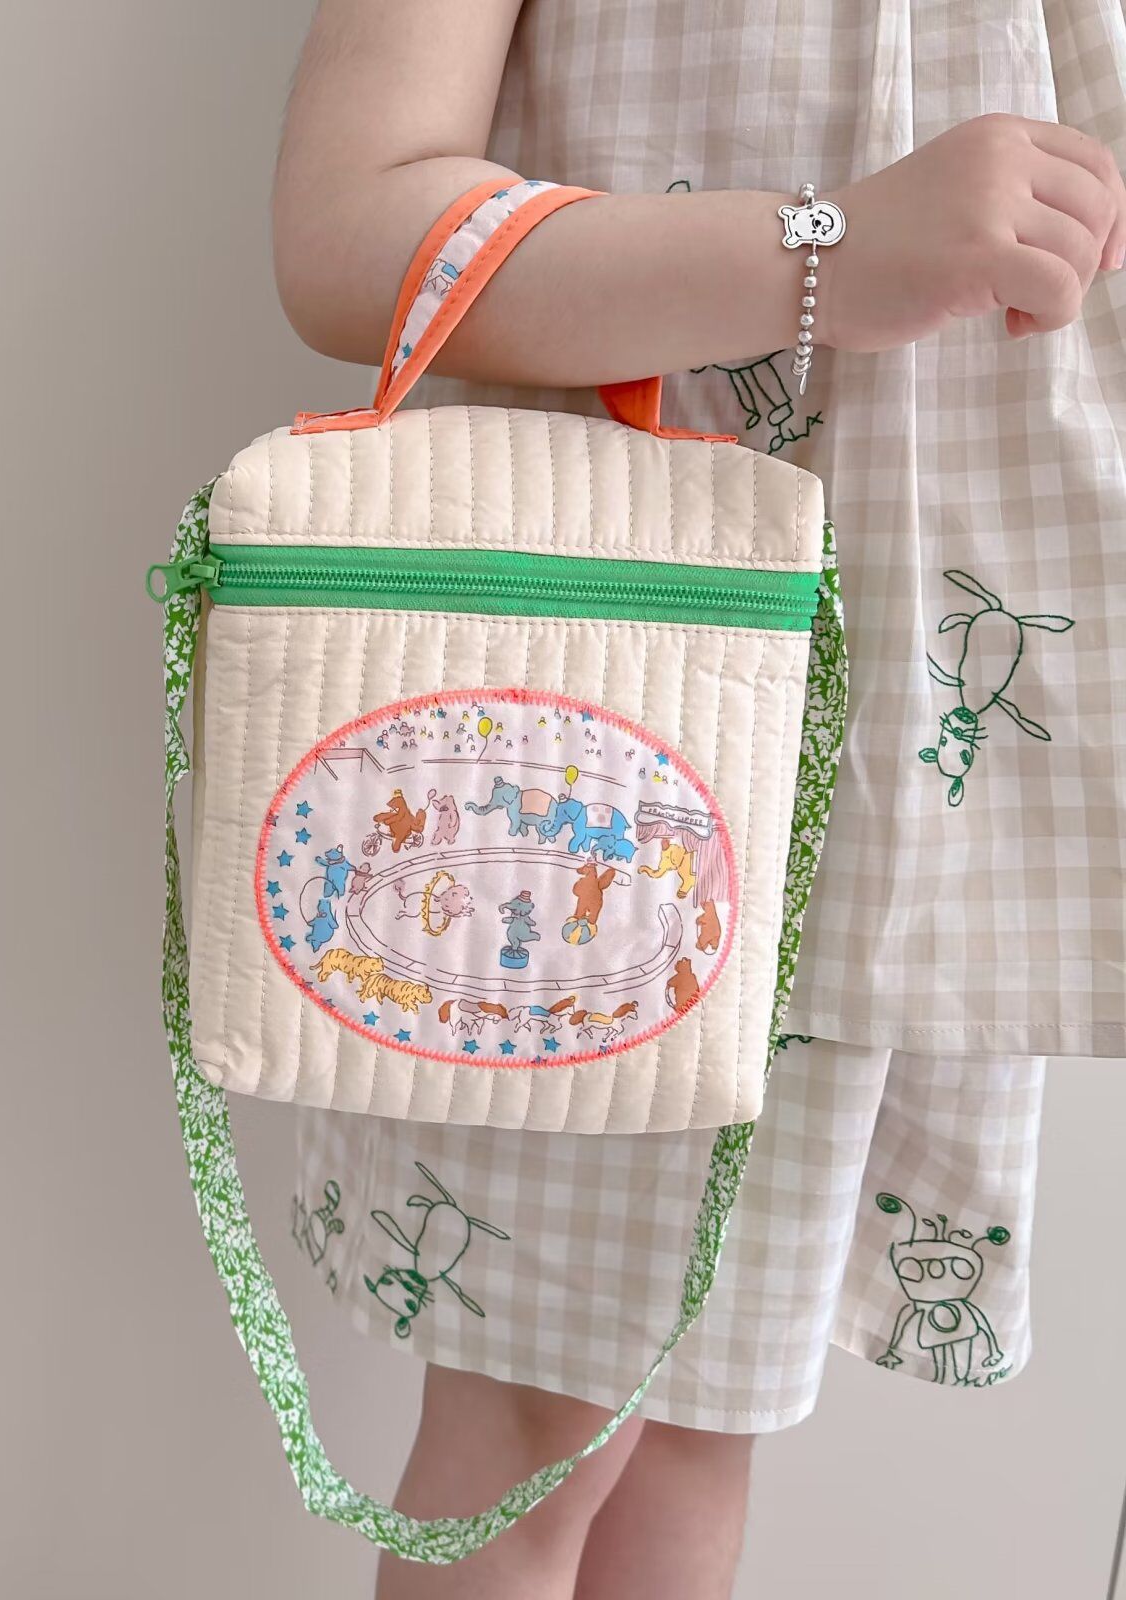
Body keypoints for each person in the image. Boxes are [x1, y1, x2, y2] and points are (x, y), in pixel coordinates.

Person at [268, 2, 1126, 1595]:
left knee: (696, 1422)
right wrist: (830, 249)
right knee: (534, 1431)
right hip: (610, 725)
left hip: (921, 763)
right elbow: (346, 233)